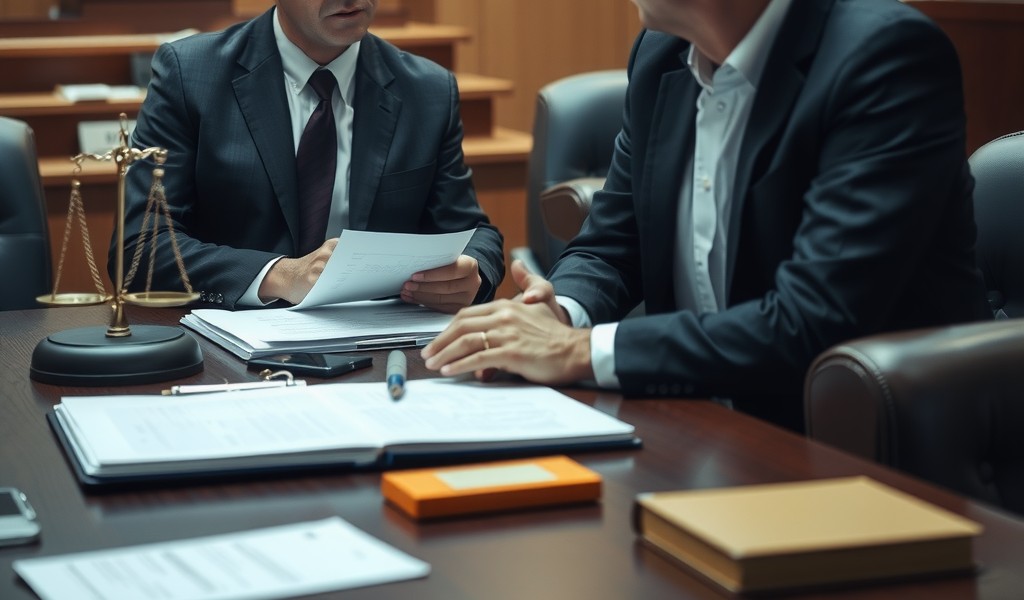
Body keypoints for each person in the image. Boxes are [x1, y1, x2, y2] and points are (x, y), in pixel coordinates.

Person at [422, 0, 992, 432]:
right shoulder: (660, 53)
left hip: (860, 445)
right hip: (699, 423)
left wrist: (578, 351)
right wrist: (558, 315)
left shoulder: (883, 55)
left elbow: (814, 321)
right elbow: (611, 246)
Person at [110, 0, 504, 312]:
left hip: (380, 345)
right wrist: (281, 275)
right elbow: (139, 247)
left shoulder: (428, 90)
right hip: (229, 348)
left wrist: (473, 274)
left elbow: (471, 233)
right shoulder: (191, 74)